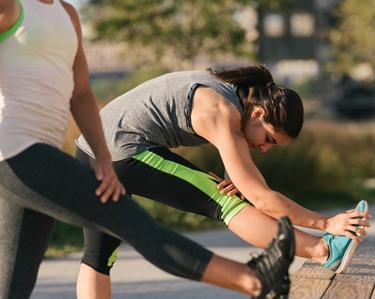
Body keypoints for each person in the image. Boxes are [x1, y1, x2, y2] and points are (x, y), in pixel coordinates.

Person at [0, 1, 296, 299]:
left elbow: (82, 95)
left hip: (36, 151)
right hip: (16, 150)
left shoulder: (67, 14)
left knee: (13, 284)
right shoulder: (10, 6)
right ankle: (254, 280)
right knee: (132, 223)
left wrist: (103, 157)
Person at [74, 65, 372, 299]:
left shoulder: (232, 96)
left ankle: (324, 249)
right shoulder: (222, 112)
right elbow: (262, 198)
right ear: (257, 113)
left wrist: (240, 180)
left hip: (86, 150)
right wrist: (325, 223)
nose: (266, 149)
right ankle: (325, 251)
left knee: (99, 255)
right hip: (121, 152)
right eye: (268, 139)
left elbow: (248, 174)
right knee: (226, 202)